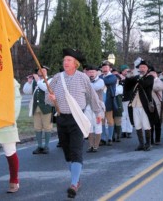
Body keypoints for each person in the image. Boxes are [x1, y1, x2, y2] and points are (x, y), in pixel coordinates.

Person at [45, 48, 103, 198]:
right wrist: (50, 98)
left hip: (77, 118)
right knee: (67, 153)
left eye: (69, 60)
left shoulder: (83, 78)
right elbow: (47, 99)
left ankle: (73, 183)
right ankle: (76, 180)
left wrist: (98, 113)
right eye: (64, 60)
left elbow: (92, 96)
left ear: (75, 63)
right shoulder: (57, 78)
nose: (65, 62)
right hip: (61, 118)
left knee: (76, 150)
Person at [124, 59, 158, 151]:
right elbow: (127, 88)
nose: (142, 68)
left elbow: (145, 84)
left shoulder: (150, 77)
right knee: (137, 124)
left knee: (146, 124)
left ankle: (148, 143)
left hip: (145, 105)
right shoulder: (137, 77)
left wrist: (138, 77)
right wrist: (128, 77)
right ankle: (141, 144)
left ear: (147, 69)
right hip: (135, 104)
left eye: (144, 67)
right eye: (140, 67)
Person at [23, 67, 53, 154]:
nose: (42, 71)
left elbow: (46, 89)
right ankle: (39, 146)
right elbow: (26, 91)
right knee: (37, 127)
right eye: (40, 70)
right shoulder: (35, 81)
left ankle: (46, 146)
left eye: (44, 70)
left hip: (46, 107)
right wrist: (29, 82)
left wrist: (38, 80)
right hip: (36, 107)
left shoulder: (50, 80)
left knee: (47, 127)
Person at [84, 64, 105, 152]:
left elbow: (95, 87)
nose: (91, 73)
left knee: (98, 125)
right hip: (87, 107)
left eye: (93, 72)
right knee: (89, 126)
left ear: (97, 72)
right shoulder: (85, 81)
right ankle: (90, 145)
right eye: (89, 72)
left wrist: (86, 86)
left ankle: (96, 146)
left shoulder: (100, 81)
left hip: (98, 107)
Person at [99, 60, 117, 146]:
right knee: (101, 121)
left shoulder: (113, 77)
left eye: (106, 67)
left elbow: (107, 82)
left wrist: (99, 78)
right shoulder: (100, 76)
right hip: (100, 102)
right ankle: (102, 138)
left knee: (110, 120)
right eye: (103, 67)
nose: (104, 69)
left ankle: (110, 138)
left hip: (109, 101)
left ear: (110, 68)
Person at [119, 65, 133, 138]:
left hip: (129, 98)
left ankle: (129, 131)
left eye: (127, 71)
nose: (126, 72)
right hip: (121, 99)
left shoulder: (130, 78)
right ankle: (123, 130)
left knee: (129, 115)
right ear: (122, 71)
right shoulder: (119, 78)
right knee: (123, 115)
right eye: (125, 70)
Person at [150, 69, 163, 145]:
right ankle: (151, 139)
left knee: (157, 122)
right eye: (150, 73)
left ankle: (157, 139)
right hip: (150, 104)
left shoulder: (159, 81)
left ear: (156, 74)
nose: (151, 74)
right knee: (150, 123)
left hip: (158, 104)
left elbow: (158, 88)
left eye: (153, 73)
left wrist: (149, 84)